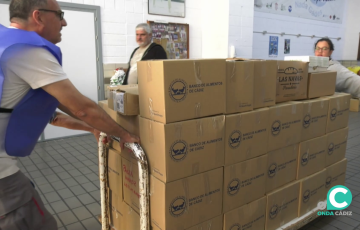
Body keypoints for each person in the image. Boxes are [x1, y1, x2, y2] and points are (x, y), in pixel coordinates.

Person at [0, 0, 140, 229]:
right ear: (39, 16)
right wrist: (124, 135)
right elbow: (81, 108)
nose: (64, 22)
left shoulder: (4, 45)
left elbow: (51, 114)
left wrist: (93, 127)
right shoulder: (27, 50)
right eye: (59, 14)